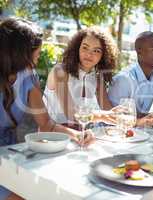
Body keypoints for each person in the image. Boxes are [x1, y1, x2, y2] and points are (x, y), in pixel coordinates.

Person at [0, 17, 92, 200]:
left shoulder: (28, 75)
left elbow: (46, 124)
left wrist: (77, 135)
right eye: (37, 51)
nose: (40, 54)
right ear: (20, 51)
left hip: (11, 155)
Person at [43, 26, 119, 125]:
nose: (89, 54)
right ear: (77, 48)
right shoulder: (60, 71)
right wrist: (103, 116)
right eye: (85, 47)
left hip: (82, 135)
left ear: (104, 56)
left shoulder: (97, 77)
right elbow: (71, 114)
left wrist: (121, 115)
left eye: (96, 51)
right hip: (54, 137)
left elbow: (107, 110)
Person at [108, 31, 153, 118]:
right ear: (139, 52)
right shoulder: (124, 79)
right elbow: (117, 117)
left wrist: (151, 116)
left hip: (139, 129)